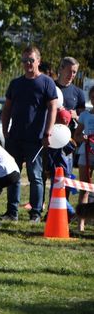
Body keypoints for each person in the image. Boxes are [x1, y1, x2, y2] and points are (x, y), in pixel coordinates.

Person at [1, 46, 58, 223]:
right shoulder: (15, 83)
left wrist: (48, 132)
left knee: (36, 176)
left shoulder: (47, 82)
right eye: (24, 60)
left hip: (36, 139)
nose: (27, 64)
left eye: (31, 60)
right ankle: (12, 212)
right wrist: (5, 130)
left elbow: (53, 107)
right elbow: (7, 108)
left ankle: (35, 213)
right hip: (15, 137)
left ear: (38, 61)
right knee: (13, 174)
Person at [43, 108, 76, 221]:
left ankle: (72, 212)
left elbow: (52, 157)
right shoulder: (69, 139)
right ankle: (57, 216)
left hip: (57, 171)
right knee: (61, 194)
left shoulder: (57, 138)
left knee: (55, 194)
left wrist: (48, 168)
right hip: (67, 171)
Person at [73, 86, 94, 232]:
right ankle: (80, 224)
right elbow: (76, 135)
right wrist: (84, 138)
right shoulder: (85, 115)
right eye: (92, 97)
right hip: (86, 153)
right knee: (84, 188)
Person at [56, 57, 84, 134]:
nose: (72, 75)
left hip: (68, 137)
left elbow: (84, 120)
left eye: (74, 72)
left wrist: (76, 116)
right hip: (49, 135)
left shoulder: (79, 93)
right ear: (61, 69)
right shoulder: (49, 87)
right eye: (69, 71)